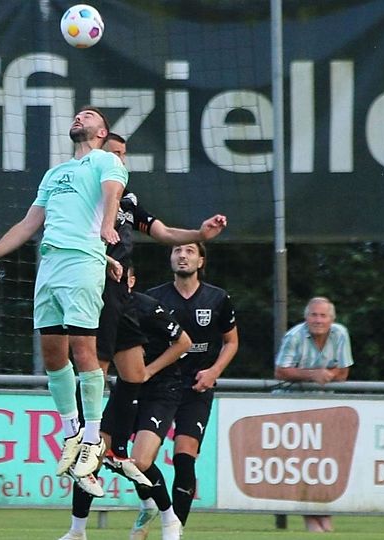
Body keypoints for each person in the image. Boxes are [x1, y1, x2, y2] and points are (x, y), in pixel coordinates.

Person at [0, 107, 128, 483]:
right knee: (53, 353)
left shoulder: (106, 160)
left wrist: (106, 226)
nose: (78, 118)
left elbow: (112, 192)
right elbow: (28, 223)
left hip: (82, 261)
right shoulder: (54, 174)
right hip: (50, 264)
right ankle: (71, 433)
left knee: (84, 350)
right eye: (76, 115)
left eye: (87, 116)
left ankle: (92, 438)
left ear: (101, 131)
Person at [95, 133, 227, 472]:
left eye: (123, 155)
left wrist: (199, 234)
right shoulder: (80, 199)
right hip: (89, 299)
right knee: (90, 373)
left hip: (118, 301)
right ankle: (87, 437)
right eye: (113, 155)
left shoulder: (127, 203)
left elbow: (164, 233)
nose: (120, 162)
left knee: (133, 376)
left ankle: (110, 445)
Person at [59, 265, 193, 540]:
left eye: (118, 279)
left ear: (130, 281)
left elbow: (184, 343)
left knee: (141, 460)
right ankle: (77, 532)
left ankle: (170, 521)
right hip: (127, 390)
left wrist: (149, 371)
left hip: (161, 389)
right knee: (91, 456)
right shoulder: (96, 310)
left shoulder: (146, 308)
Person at [136, 242, 238, 537]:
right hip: (159, 386)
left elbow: (231, 341)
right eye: (177, 251)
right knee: (140, 460)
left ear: (201, 260)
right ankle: (149, 505)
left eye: (190, 251)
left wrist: (214, 371)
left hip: (197, 386)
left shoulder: (218, 298)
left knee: (184, 455)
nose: (183, 255)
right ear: (170, 258)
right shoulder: (153, 298)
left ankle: (174, 530)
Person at [274, 296, 353, 533]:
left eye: (323, 316)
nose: (318, 320)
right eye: (313, 315)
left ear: (332, 319)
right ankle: (313, 522)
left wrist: (327, 375)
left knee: (323, 466)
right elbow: (280, 371)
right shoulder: (294, 336)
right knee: (303, 465)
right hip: (292, 408)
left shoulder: (340, 334)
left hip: (324, 409)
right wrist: (312, 375)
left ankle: (323, 520)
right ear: (306, 317)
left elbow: (343, 371)